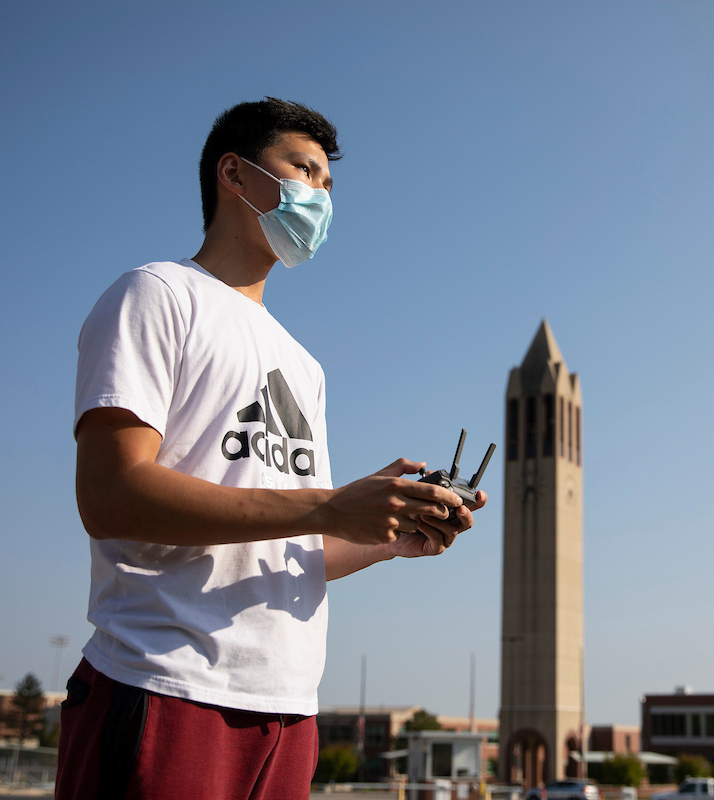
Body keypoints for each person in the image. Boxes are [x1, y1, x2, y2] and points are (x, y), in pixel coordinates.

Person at [55, 98, 486, 800]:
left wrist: (385, 535)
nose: (318, 196)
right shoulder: (158, 294)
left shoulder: (303, 363)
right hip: (165, 683)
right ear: (236, 174)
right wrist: (328, 503)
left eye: (327, 186)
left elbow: (292, 545)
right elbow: (109, 495)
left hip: (290, 711)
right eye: (303, 170)